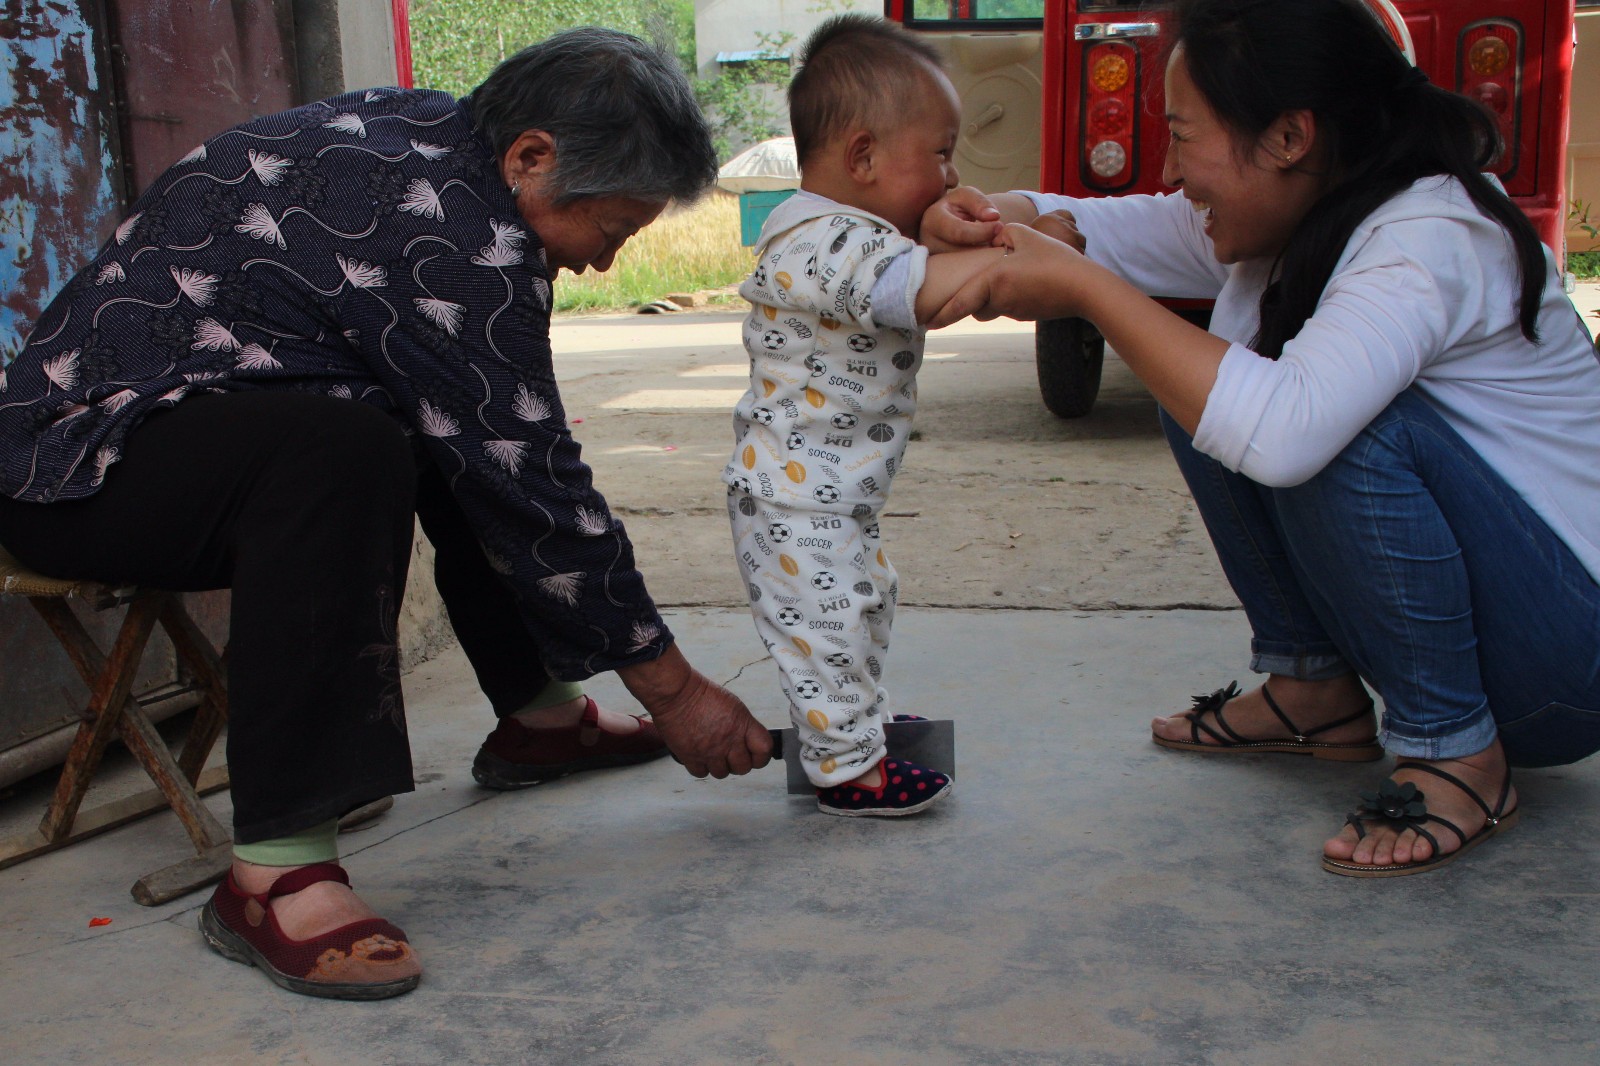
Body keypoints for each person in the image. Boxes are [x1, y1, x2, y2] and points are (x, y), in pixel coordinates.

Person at [0, 27, 773, 999]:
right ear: (530, 159)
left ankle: (539, 720)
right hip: (77, 467)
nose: (601, 266)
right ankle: (275, 872)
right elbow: (540, 487)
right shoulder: (458, 232)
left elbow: (502, 449)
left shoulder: (435, 142)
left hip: (168, 431)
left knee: (439, 421)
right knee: (349, 445)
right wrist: (678, 693)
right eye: (609, 232)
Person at [924, 0, 1600, 874]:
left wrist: (1085, 290)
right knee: (1203, 381)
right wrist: (991, 216)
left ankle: (1458, 753)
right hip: (1512, 625)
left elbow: (1286, 435)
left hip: (1562, 662)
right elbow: (1113, 226)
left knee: (1311, 419)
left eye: (1182, 135)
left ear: (1288, 137)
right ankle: (1313, 690)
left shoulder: (1429, 234)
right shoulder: (1313, 203)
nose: (1171, 168)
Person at [724, 15, 1004, 816]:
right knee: (829, 625)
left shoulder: (848, 230)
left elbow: (910, 256)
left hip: (829, 489)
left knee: (865, 604)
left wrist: (948, 229)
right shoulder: (828, 243)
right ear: (863, 157)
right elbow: (918, 293)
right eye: (942, 153)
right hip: (797, 493)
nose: (952, 176)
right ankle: (849, 768)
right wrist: (1009, 254)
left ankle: (858, 726)